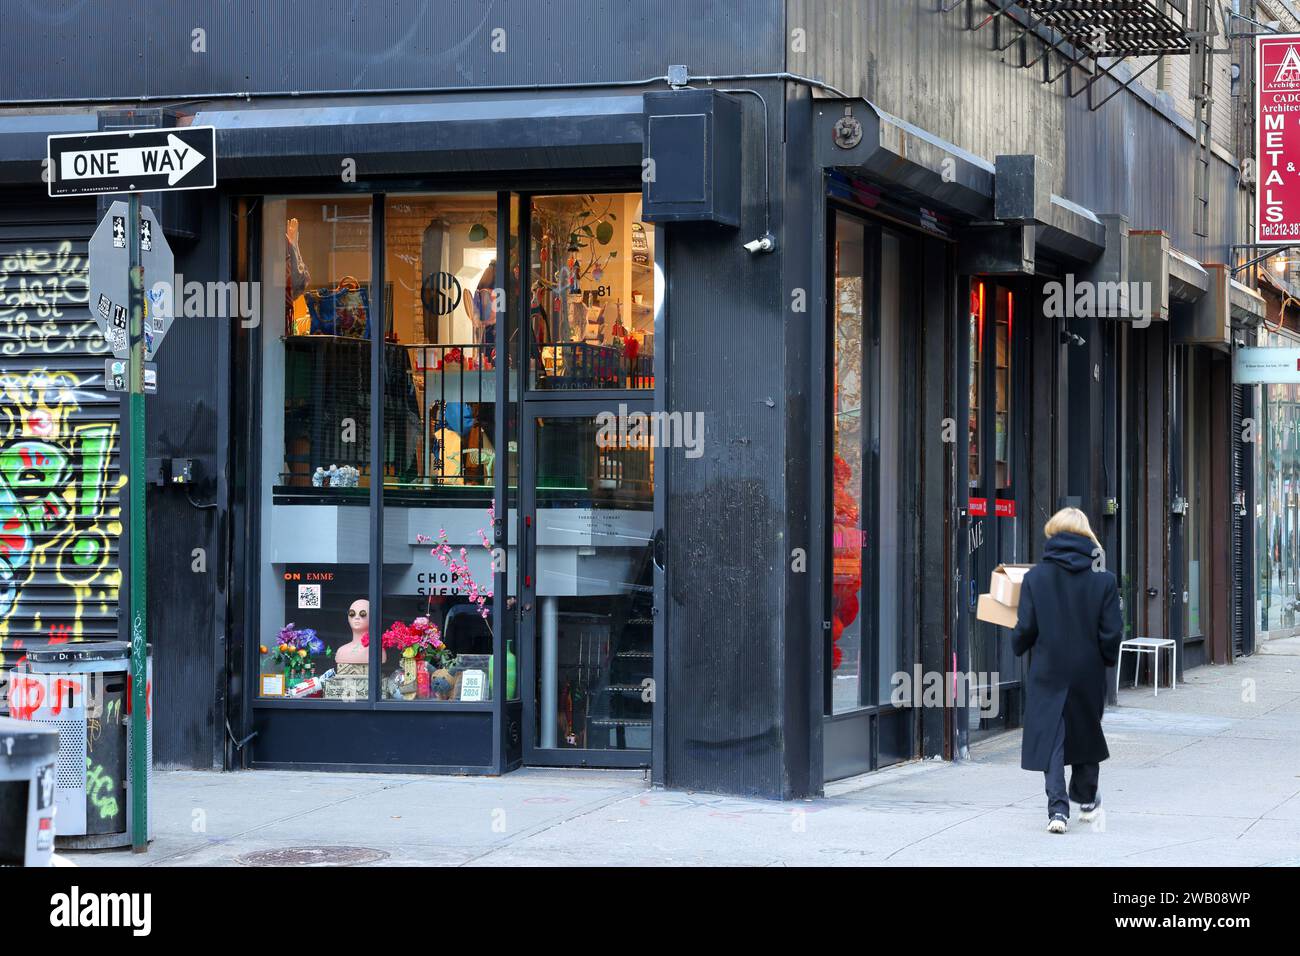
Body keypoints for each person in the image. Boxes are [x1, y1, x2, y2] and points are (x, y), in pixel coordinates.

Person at [1011, 507, 1122, 833]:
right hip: (1087, 669)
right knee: (1085, 729)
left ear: (1052, 535)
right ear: (1087, 537)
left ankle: (1057, 811)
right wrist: (1105, 659)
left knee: (1052, 736)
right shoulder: (1104, 581)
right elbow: (1112, 631)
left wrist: (1018, 644)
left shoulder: (1035, 578)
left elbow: (1026, 626)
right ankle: (1087, 799)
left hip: (1048, 668)